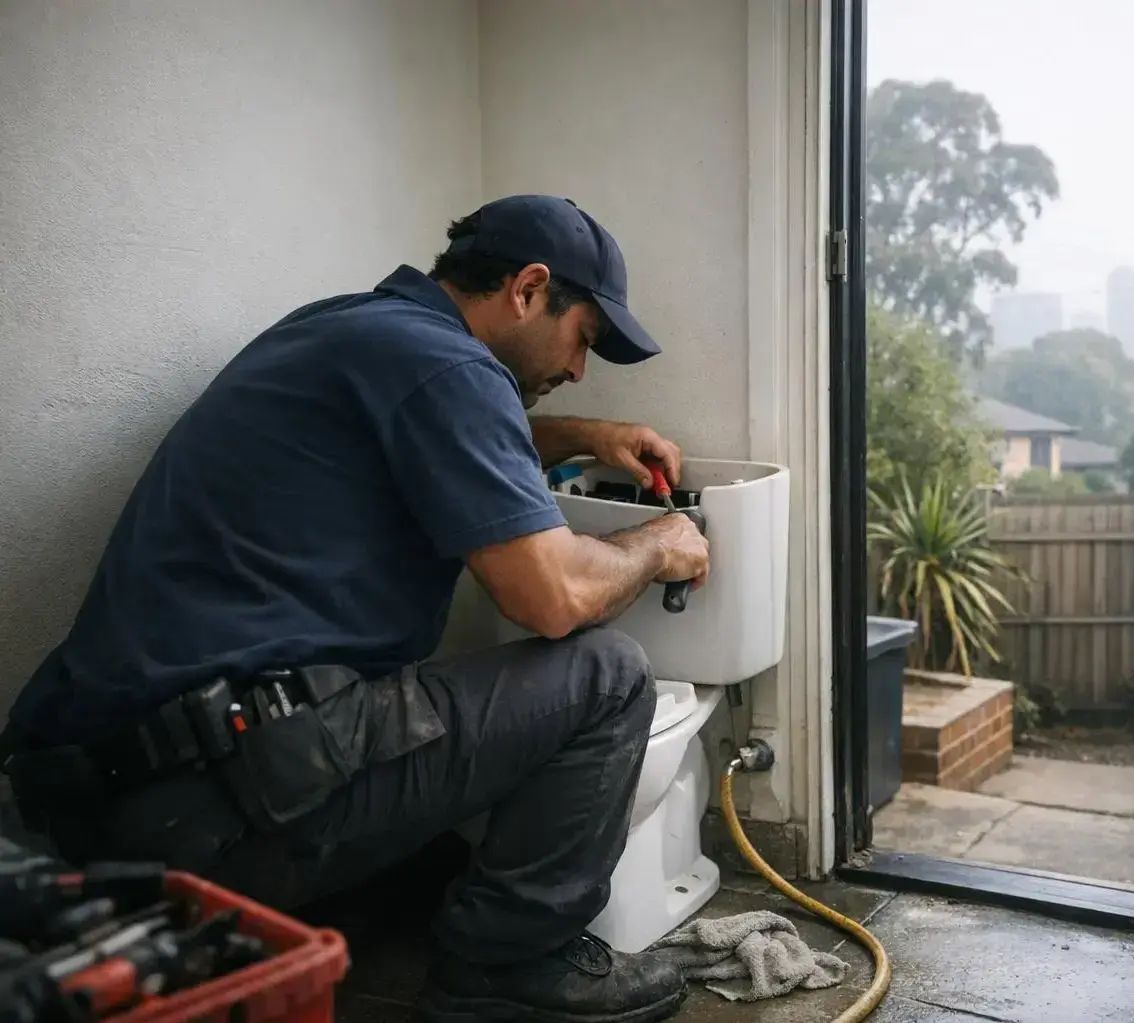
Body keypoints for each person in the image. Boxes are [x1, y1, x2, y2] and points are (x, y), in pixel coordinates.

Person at [0, 194, 709, 1023]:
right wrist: (658, 543)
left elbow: (447, 428)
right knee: (608, 673)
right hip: (223, 801)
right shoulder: (450, 370)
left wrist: (581, 433)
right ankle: (507, 967)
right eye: (582, 338)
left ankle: (362, 908)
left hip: (107, 802)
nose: (579, 368)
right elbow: (552, 598)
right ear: (527, 288)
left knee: (432, 862)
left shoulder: (349, 329)